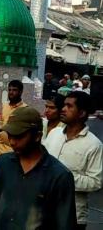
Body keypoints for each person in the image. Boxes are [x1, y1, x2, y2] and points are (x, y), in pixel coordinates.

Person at [0, 106, 77, 229]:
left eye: (19, 136)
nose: (12, 142)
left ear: (37, 136)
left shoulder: (60, 176)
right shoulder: (3, 163)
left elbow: (66, 224)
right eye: (9, 135)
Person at [44, 91, 103, 229]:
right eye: (64, 105)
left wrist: (65, 179)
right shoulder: (54, 134)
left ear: (82, 113)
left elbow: (96, 182)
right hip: (43, 210)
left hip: (72, 216)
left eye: (69, 106)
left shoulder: (93, 145)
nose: (63, 109)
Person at [0, 80, 27, 176]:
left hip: (12, 148)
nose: (11, 92)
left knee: (6, 177)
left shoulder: (24, 109)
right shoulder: (5, 106)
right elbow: (1, 122)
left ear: (21, 92)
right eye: (9, 90)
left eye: (14, 90)